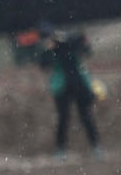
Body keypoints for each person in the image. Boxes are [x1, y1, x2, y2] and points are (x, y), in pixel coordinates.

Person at [36, 23, 102, 160]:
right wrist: (49, 50)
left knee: (85, 116)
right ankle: (61, 149)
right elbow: (43, 65)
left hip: (78, 82)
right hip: (62, 85)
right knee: (63, 118)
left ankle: (95, 146)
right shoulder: (49, 49)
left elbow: (86, 50)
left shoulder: (66, 41)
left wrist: (67, 41)